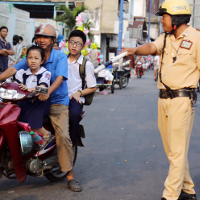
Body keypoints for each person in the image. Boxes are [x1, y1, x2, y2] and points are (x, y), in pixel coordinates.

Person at [121, 0, 199, 199]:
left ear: (176, 18)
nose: (161, 20)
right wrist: (135, 50)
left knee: (177, 150)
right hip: (163, 99)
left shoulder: (197, 38)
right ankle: (188, 189)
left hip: (182, 99)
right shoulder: (167, 37)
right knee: (173, 149)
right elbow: (152, 47)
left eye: (164, 16)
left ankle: (170, 195)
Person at [0, 23, 81, 192]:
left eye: (46, 37)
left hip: (56, 102)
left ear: (53, 40)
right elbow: (14, 69)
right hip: (33, 100)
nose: (42, 40)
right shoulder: (33, 54)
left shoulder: (59, 56)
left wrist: (48, 92)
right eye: (39, 37)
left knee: (63, 135)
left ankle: (70, 175)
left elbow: (59, 78)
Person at [15, 45, 51, 148]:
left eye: (36, 58)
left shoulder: (45, 73)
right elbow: (15, 84)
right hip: (24, 102)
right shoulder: (22, 73)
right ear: (26, 59)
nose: (33, 61)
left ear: (42, 60)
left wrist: (28, 89)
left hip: (39, 103)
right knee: (17, 123)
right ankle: (32, 138)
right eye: (30, 58)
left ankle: (46, 134)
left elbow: (43, 87)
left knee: (29, 123)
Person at [67, 30, 96, 146]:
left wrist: (78, 93)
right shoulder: (61, 61)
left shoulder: (86, 64)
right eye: (72, 42)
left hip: (75, 99)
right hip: (60, 96)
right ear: (68, 43)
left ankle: (70, 147)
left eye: (78, 43)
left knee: (73, 116)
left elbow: (92, 87)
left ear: (83, 46)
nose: (74, 46)